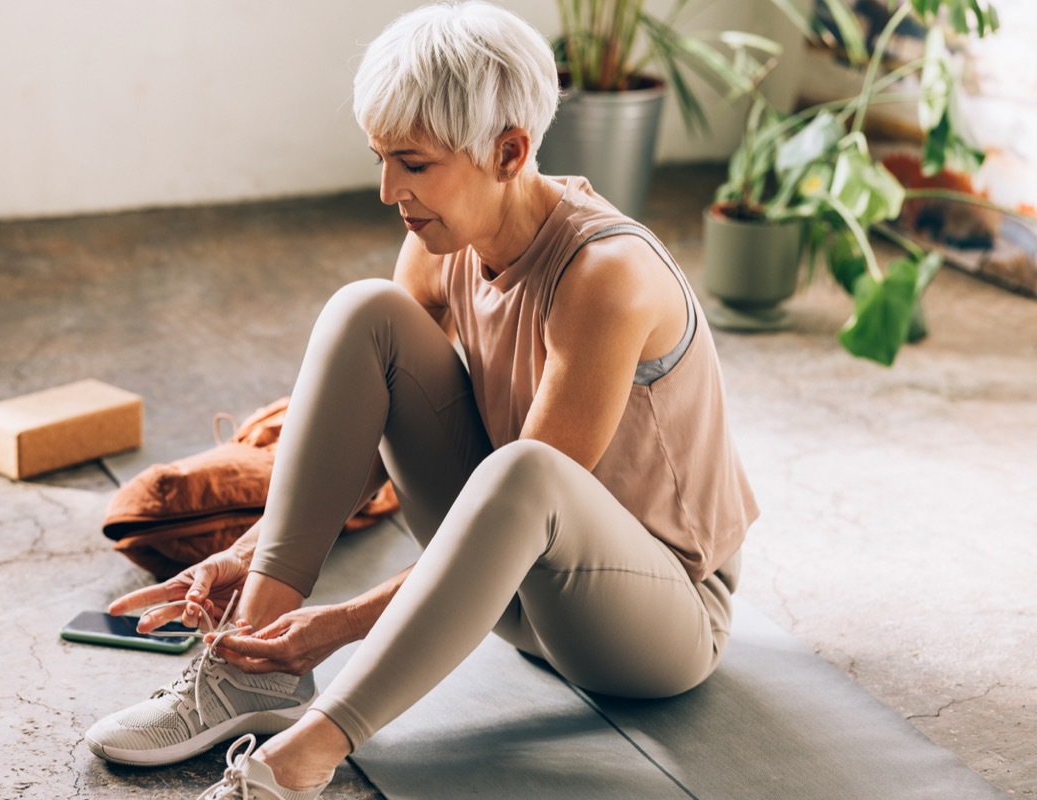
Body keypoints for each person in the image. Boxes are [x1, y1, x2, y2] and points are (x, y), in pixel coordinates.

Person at [85, 2, 758, 797]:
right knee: (364, 312)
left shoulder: (604, 278)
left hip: (654, 628)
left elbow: (530, 497)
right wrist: (247, 557)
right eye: (381, 159)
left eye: (412, 163)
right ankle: (250, 669)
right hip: (510, 597)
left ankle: (308, 752)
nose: (386, 190)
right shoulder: (443, 240)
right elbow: (369, 440)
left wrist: (337, 628)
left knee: (526, 472)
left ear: (510, 151)